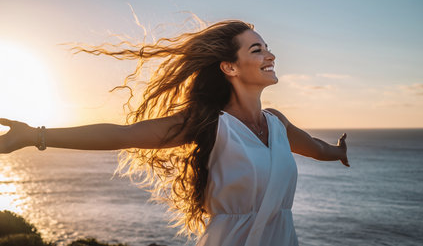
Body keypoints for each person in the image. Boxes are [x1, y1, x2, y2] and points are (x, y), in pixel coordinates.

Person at [0, 20, 349, 246]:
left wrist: (338, 151)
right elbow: (121, 135)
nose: (271, 55)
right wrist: (35, 136)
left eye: (267, 47)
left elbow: (316, 148)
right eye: (257, 49)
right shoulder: (210, 123)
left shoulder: (276, 123)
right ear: (229, 67)